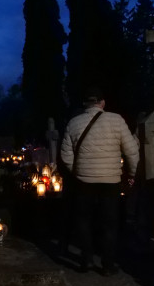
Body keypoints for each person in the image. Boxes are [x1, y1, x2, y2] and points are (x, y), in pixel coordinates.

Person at [59, 86, 139, 274]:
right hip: (110, 179)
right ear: (102, 102)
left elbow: (66, 155)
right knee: (110, 223)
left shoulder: (74, 123)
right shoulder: (116, 120)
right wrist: (133, 174)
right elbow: (131, 151)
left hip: (83, 181)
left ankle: (86, 260)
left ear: (85, 104)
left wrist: (78, 171)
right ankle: (108, 265)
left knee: (84, 220)